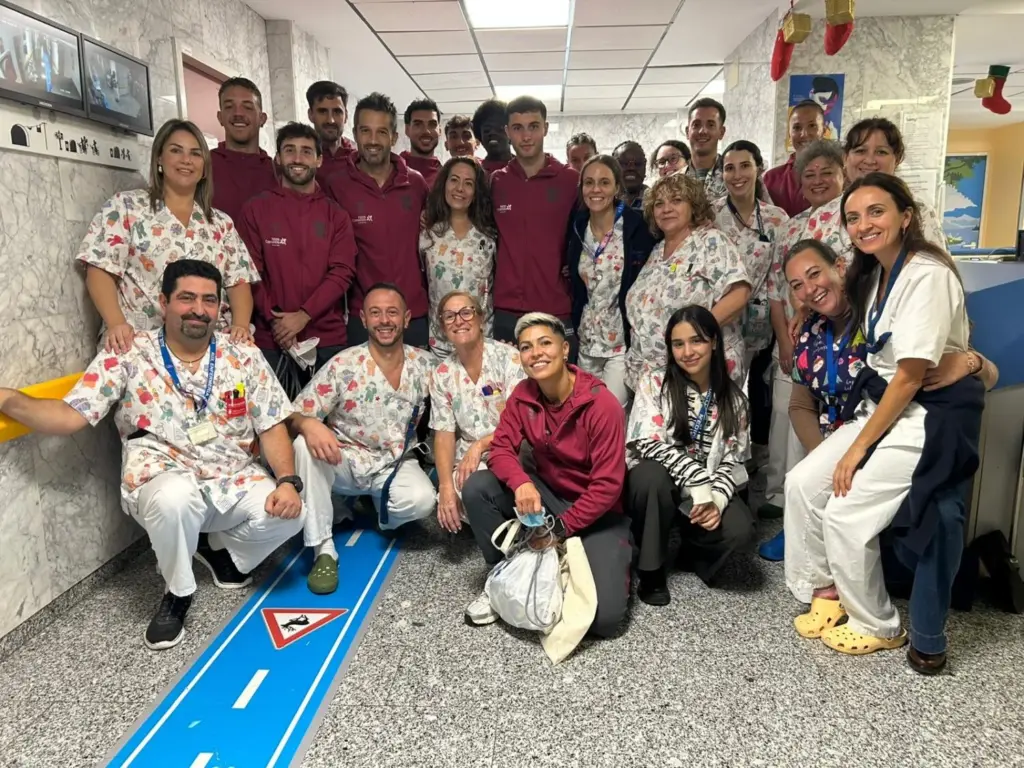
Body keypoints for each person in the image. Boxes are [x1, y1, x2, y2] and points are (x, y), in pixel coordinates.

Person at [0, 260, 304, 650]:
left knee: (292, 516)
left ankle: (220, 552)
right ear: (164, 302)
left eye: (209, 300)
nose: (198, 309)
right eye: (187, 298)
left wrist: (288, 482)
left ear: (219, 308)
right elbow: (68, 416)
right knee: (175, 498)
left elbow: (272, 425)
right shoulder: (128, 353)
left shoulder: (241, 354)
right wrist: (10, 400)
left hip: (232, 476)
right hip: (164, 477)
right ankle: (178, 592)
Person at [785, 173, 985, 660]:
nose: (864, 224)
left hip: (927, 414)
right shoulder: (873, 275)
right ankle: (825, 590)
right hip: (883, 405)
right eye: (853, 217)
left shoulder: (928, 274)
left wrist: (855, 450)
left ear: (905, 216)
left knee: (845, 508)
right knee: (801, 483)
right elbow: (838, 309)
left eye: (876, 212)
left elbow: (911, 376)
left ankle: (877, 622)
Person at [460, 313, 632, 636]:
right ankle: (507, 573)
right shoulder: (523, 396)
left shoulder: (601, 405)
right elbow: (499, 448)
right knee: (477, 488)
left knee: (605, 622)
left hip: (599, 512)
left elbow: (608, 486)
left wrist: (560, 529)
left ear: (565, 349)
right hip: (549, 495)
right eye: (526, 347)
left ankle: (561, 556)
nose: (535, 353)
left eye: (545, 343)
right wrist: (522, 482)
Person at [290, 283, 434, 595]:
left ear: (407, 318)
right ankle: (323, 548)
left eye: (392, 312)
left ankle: (371, 503)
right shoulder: (344, 364)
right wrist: (307, 424)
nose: (384, 320)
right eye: (376, 313)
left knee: (422, 502)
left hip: (393, 463)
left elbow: (462, 386)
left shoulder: (426, 364)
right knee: (303, 444)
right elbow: (293, 413)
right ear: (363, 319)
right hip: (344, 459)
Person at [78, 119, 258, 355]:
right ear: (159, 160)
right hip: (138, 344)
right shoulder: (126, 207)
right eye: (176, 150)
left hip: (205, 346)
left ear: (204, 167)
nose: (186, 160)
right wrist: (115, 323)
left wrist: (241, 326)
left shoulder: (220, 223)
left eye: (195, 153)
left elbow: (239, 282)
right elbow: (100, 269)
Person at [625, 306, 755, 605]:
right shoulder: (655, 382)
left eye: (696, 341)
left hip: (707, 490)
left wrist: (716, 500)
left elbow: (733, 460)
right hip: (666, 487)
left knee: (741, 530)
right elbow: (646, 443)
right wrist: (698, 484)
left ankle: (694, 550)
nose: (687, 351)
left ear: (714, 342)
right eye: (678, 344)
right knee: (648, 476)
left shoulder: (735, 399)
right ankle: (652, 568)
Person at [759, 139, 849, 526]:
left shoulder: (851, 217)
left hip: (841, 337)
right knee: (789, 415)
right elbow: (777, 291)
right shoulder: (790, 227)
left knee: (829, 419)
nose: (817, 180)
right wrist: (783, 339)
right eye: (809, 175)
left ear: (843, 174)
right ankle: (783, 497)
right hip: (796, 338)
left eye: (826, 172)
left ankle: (824, 504)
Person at [236, 122, 357, 397]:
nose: (298, 158)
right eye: (289, 151)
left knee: (324, 433)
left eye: (306, 151)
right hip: (269, 340)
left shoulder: (336, 215)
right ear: (277, 157)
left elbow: (342, 272)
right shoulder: (256, 209)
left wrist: (303, 316)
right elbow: (248, 271)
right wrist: (278, 322)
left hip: (326, 340)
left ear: (319, 159)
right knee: (274, 429)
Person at [626, 173, 751, 391]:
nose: (666, 209)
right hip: (652, 374)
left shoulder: (710, 241)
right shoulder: (656, 251)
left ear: (694, 206)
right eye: (659, 203)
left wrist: (696, 334)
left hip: (696, 368)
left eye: (676, 200)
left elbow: (739, 292)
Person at [325, 92, 430, 348]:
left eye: (381, 132)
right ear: (355, 133)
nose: (372, 140)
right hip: (364, 317)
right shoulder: (336, 185)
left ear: (394, 137)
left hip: (412, 314)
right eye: (365, 131)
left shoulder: (416, 183)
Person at [490, 95, 579, 356]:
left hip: (555, 305)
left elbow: (588, 232)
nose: (526, 136)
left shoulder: (570, 180)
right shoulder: (497, 182)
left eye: (533, 126)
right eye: (518, 128)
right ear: (508, 132)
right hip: (506, 308)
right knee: (506, 392)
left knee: (559, 391)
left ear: (545, 129)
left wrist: (573, 263)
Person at [430, 291, 526, 534]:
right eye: (449, 316)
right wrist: (445, 488)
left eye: (466, 312)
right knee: (454, 490)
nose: (459, 321)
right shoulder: (442, 374)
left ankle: (514, 523)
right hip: (469, 460)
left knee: (494, 487)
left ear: (480, 318)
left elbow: (522, 422)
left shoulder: (509, 359)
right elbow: (444, 434)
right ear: (442, 326)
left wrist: (480, 445)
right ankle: (502, 523)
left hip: (513, 447)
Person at [567, 154, 658, 405]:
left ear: (617, 187)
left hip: (621, 342)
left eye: (604, 182)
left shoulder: (636, 226)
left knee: (613, 409)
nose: (596, 189)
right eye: (589, 182)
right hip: (587, 340)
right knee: (586, 412)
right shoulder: (577, 225)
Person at [420, 157, 497, 358]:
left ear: (476, 192)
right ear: (444, 184)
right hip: (440, 344)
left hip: (481, 341)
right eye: (454, 180)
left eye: (468, 183)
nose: (460, 188)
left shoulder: (489, 236)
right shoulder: (428, 235)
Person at [843, 117, 947, 250]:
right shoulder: (823, 215)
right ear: (845, 157)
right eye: (860, 151)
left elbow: (937, 267)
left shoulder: (920, 211)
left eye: (881, 152)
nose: (869, 160)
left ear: (897, 159)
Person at [210, 77, 277, 224]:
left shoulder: (277, 173)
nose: (238, 113)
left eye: (247, 107)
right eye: (229, 106)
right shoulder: (203, 166)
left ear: (262, 118)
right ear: (220, 117)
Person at [763, 99, 824, 217]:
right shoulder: (771, 178)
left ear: (823, 130)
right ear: (790, 134)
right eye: (797, 127)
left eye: (812, 126)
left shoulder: (835, 177)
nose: (804, 134)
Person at [307, 80, 356, 186]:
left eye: (337, 112)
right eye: (322, 111)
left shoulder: (359, 156)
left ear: (346, 116)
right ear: (311, 115)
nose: (331, 120)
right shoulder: (299, 159)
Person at [401, 98, 442, 187]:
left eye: (432, 124)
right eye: (418, 124)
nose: (426, 131)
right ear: (407, 130)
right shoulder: (392, 171)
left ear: (440, 130)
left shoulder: (446, 176)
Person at [473, 99, 511, 175]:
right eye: (487, 130)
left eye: (499, 129)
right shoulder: (475, 172)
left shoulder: (526, 167)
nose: (492, 133)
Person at [612, 140, 648, 210]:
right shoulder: (600, 201)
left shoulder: (657, 201)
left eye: (638, 163)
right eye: (624, 163)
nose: (631, 168)